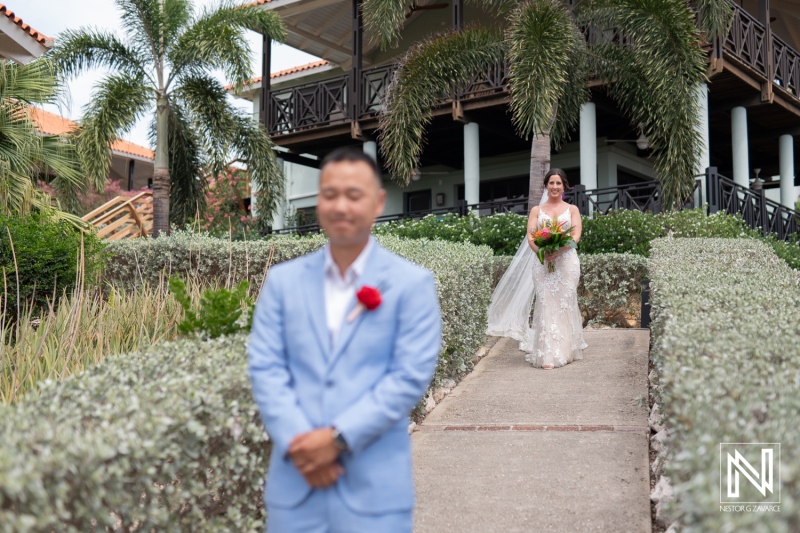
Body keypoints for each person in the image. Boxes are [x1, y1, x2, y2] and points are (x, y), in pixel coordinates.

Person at [248, 147, 442, 533]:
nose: (341, 206)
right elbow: (266, 367)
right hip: (295, 487)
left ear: (378, 202)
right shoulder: (282, 282)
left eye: (354, 195)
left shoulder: (411, 284)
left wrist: (336, 439)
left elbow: (408, 376)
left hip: (375, 492)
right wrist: (303, 446)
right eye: (330, 194)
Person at [486, 168, 587, 369]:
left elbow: (575, 236)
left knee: (564, 303)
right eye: (551, 183)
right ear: (546, 186)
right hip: (542, 262)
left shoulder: (572, 209)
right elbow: (532, 236)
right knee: (546, 304)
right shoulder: (536, 211)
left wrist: (558, 250)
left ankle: (566, 350)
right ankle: (548, 354)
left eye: (559, 183)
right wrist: (543, 252)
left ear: (564, 186)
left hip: (566, 261)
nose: (555, 187)